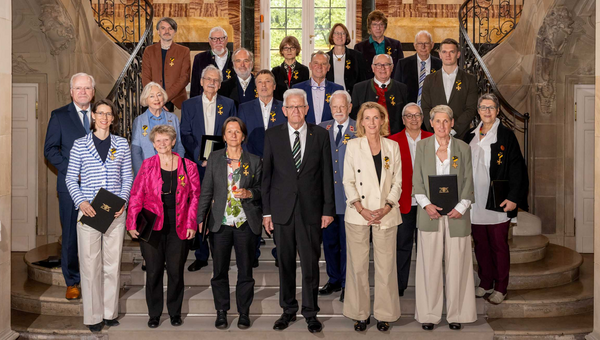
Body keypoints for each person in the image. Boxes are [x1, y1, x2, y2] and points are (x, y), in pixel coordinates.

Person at [262, 89, 335, 333]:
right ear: (284, 111)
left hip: (311, 211)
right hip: (282, 212)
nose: (295, 111)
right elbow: (267, 176)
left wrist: (328, 210)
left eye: (299, 107)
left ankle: (311, 312)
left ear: (306, 109)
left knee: (311, 264)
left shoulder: (320, 136)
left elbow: (326, 175)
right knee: (285, 264)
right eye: (290, 107)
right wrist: (267, 212)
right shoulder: (272, 135)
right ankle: (288, 310)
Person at [65, 99, 133, 332]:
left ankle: (109, 312)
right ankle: (93, 316)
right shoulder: (80, 144)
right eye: (100, 113)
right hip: (90, 212)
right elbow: (70, 178)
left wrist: (123, 200)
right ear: (93, 116)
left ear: (113, 119)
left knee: (112, 265)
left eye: (109, 114)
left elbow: (128, 177)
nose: (104, 117)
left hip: (114, 212)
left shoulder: (122, 144)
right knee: (90, 265)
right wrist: (81, 202)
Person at [126, 125, 199, 328]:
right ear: (153, 144)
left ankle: (175, 312)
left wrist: (192, 222)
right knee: (154, 271)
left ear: (173, 141)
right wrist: (131, 221)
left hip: (180, 225)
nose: (162, 143)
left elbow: (195, 198)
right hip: (151, 226)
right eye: (158, 140)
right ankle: (154, 314)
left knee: (176, 271)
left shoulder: (188, 166)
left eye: (166, 139)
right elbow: (136, 195)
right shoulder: (147, 165)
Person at [412, 104, 477, 331]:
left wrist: (461, 206)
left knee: (457, 265)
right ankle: (429, 314)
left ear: (452, 123)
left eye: (446, 121)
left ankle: (457, 313)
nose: (441, 125)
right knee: (429, 265)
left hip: (457, 215)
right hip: (429, 214)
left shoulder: (462, 148)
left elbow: (469, 180)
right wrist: (427, 205)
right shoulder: (422, 147)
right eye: (437, 121)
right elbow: (417, 180)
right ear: (431, 123)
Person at [197, 117, 263, 329]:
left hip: (245, 223)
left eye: (237, 131)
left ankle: (244, 312)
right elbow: (206, 190)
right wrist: (201, 217)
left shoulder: (254, 160)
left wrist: (250, 192)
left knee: (245, 271)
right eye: (229, 131)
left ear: (243, 136)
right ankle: (222, 311)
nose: (233, 135)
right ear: (223, 136)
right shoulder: (215, 158)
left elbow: (262, 190)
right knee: (219, 271)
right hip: (220, 223)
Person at [342, 101, 402, 332]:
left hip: (386, 214)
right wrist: (361, 208)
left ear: (383, 120)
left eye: (376, 117)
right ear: (361, 122)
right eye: (367, 118)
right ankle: (360, 313)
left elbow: (398, 181)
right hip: (359, 214)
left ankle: (385, 314)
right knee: (357, 266)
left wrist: (387, 207)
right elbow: (347, 180)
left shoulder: (392, 147)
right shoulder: (353, 146)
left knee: (386, 267)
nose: (372, 122)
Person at [464, 94, 529, 304]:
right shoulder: (470, 136)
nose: (487, 111)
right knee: (481, 245)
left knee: (498, 246)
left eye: (491, 107)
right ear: (478, 110)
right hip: (474, 203)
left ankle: (501, 287)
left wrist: (513, 198)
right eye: (483, 107)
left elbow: (518, 169)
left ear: (498, 110)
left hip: (498, 203)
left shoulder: (506, 136)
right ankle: (485, 283)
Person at [44, 72, 95, 300]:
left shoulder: (102, 114)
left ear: (93, 91)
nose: (83, 92)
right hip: (70, 187)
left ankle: (94, 279)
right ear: (71, 91)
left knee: (96, 233)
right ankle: (72, 282)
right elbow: (50, 150)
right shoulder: (59, 116)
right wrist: (74, 170)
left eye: (87, 88)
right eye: (78, 88)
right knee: (71, 236)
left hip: (99, 188)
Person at [180, 64, 237, 272]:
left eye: (215, 80)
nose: (211, 83)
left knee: (220, 207)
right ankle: (202, 255)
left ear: (220, 84)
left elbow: (233, 131)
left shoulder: (229, 104)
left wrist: (222, 157)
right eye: (208, 79)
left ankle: (220, 255)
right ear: (202, 82)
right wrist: (199, 156)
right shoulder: (189, 105)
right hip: (198, 166)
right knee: (200, 208)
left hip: (222, 164)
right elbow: (185, 133)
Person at [388, 103, 433, 297]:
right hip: (403, 202)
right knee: (402, 246)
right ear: (403, 119)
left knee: (427, 248)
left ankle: (428, 285)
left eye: (417, 115)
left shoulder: (433, 139)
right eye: (409, 115)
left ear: (422, 118)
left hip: (429, 204)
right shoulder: (392, 141)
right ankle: (399, 285)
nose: (413, 119)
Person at [317, 90, 357, 303]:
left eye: (342, 106)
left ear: (350, 107)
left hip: (351, 199)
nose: (339, 110)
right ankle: (333, 278)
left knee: (349, 243)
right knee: (330, 242)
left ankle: (347, 283)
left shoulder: (359, 128)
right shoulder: (322, 129)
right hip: (327, 199)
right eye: (335, 107)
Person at [421, 38, 478, 139]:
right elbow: (425, 108)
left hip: (461, 136)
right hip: (436, 135)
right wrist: (436, 129)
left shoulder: (469, 79)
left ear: (458, 54)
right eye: (444, 52)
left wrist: (454, 130)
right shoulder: (429, 79)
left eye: (452, 51)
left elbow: (471, 109)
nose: (448, 55)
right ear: (440, 55)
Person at [132, 82, 185, 176]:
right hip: (148, 173)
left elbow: (179, 144)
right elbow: (136, 151)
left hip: (171, 170)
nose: (156, 99)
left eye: (159, 95)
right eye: (151, 96)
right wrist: (142, 175)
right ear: (146, 99)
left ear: (163, 97)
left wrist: (177, 165)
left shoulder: (173, 119)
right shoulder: (139, 121)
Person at [351, 54, 408, 135]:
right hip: (367, 138)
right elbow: (355, 117)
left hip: (394, 139)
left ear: (392, 67)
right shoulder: (359, 88)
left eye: (387, 64)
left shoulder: (402, 88)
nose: (383, 68)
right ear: (373, 68)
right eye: (378, 65)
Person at [142, 17, 190, 112]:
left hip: (176, 101)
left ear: (174, 31)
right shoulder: (149, 51)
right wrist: (155, 98)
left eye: (170, 28)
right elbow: (146, 77)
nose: (166, 31)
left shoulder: (184, 51)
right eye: (163, 28)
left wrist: (164, 98)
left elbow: (185, 78)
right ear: (158, 31)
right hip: (153, 102)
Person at [238, 69, 286, 158]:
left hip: (279, 160)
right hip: (252, 161)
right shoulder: (244, 108)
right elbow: (240, 136)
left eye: (268, 81)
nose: (263, 85)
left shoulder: (285, 108)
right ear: (256, 86)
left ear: (274, 86)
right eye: (260, 82)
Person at [292, 51, 344, 125]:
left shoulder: (338, 90)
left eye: (323, 64)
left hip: (330, 133)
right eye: (316, 63)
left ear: (328, 67)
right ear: (310, 65)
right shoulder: (297, 89)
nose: (319, 66)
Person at [393, 31, 442, 105]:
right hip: (409, 111)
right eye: (419, 43)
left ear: (432, 45)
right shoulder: (403, 64)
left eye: (426, 43)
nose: (423, 46)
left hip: (434, 110)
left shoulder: (440, 64)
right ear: (415, 45)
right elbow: (396, 89)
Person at [354, 10, 403, 79]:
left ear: (385, 26)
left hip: (391, 85)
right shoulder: (360, 48)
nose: (378, 28)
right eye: (374, 24)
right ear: (369, 27)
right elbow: (358, 74)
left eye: (381, 24)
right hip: (368, 86)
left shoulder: (395, 45)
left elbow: (400, 70)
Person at [190, 26, 235, 98]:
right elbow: (195, 87)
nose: (218, 42)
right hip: (207, 102)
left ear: (226, 40)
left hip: (231, 102)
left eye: (221, 38)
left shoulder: (235, 58)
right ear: (209, 41)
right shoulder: (200, 58)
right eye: (214, 39)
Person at [326, 23, 367, 96]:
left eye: (343, 33)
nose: (339, 36)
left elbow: (363, 81)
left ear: (346, 36)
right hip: (330, 98)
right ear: (332, 36)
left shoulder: (357, 56)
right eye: (336, 33)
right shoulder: (325, 58)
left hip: (352, 98)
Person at [271, 36, 309, 101]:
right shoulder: (275, 71)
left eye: (292, 48)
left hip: (297, 105)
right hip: (279, 105)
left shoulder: (304, 70)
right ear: (282, 51)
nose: (289, 51)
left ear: (297, 50)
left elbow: (305, 91)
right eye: (286, 48)